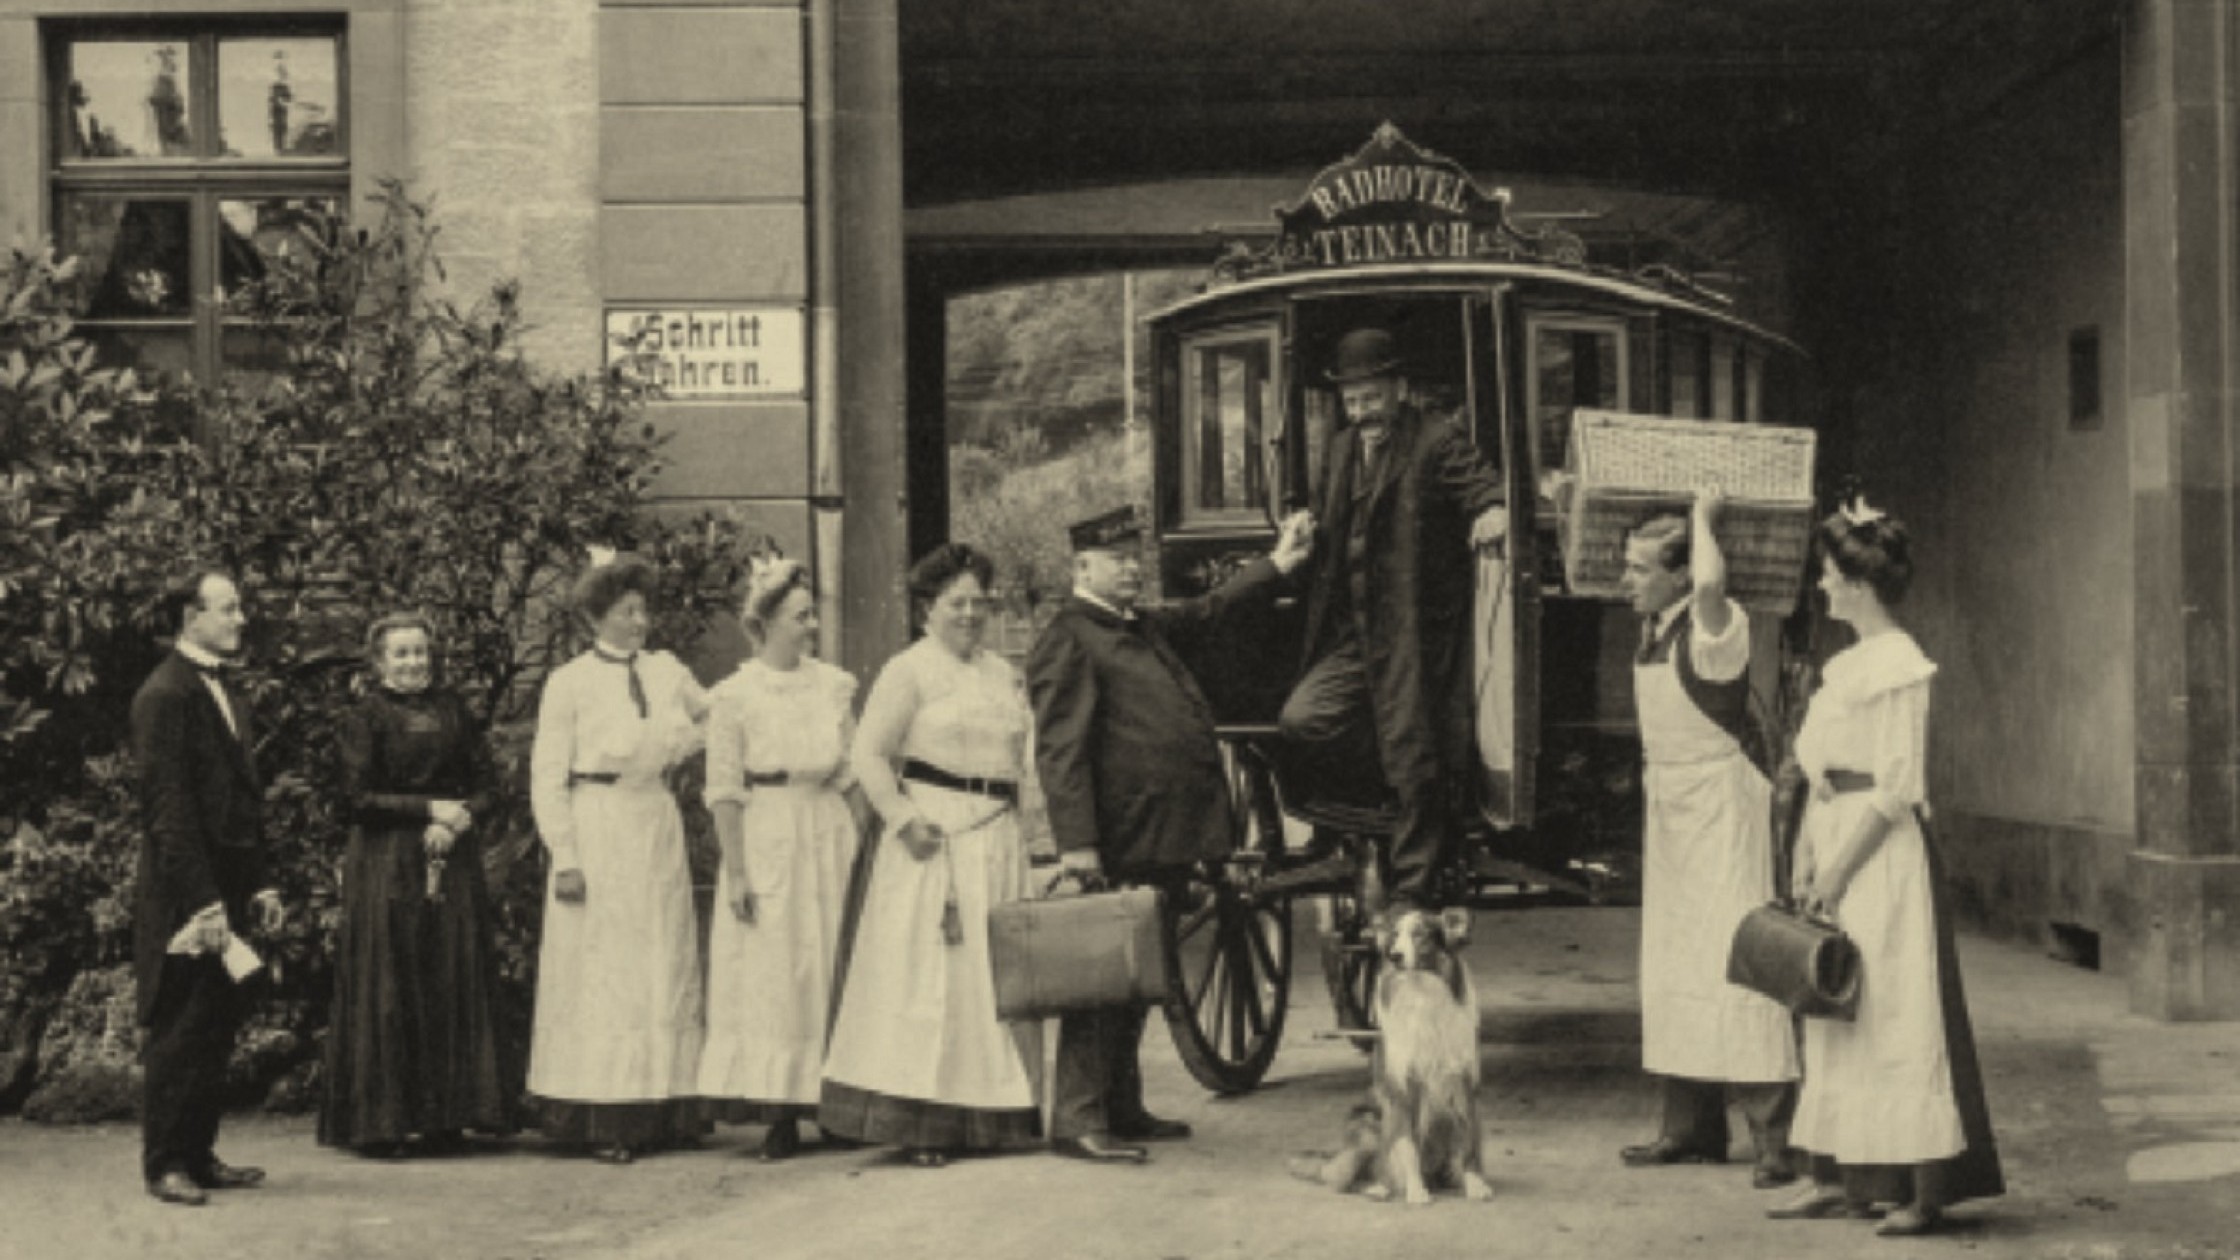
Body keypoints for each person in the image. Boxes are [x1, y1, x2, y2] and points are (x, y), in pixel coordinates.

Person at [1026, 504, 1314, 1164]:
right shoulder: (1068, 638)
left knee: (1139, 977)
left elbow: (1209, 611)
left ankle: (1121, 1106)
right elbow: (1060, 753)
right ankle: (1076, 1119)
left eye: (1136, 557)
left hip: (1166, 835)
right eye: (1117, 559)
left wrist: (1277, 565)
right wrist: (1078, 846)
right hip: (1121, 838)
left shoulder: (1142, 627)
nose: (1132, 568)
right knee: (1099, 979)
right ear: (1082, 568)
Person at [1768, 500, 2004, 1236]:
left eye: (1831, 578)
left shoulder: (1901, 665)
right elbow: (1822, 770)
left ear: (1863, 586)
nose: (1824, 590)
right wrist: (1810, 852)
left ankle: (1921, 1190)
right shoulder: (1845, 667)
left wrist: (1839, 868)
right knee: (1837, 1010)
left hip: (1882, 856)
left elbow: (1897, 787)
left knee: (1896, 1013)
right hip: (1836, 839)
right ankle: (1842, 1173)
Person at [820, 544, 1042, 1168]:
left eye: (979, 602)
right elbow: (866, 754)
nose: (970, 614)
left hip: (997, 837)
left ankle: (1001, 1113)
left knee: (996, 977)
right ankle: (925, 1121)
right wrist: (903, 819)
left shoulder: (1002, 673)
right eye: (956, 603)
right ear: (927, 610)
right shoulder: (907, 670)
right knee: (934, 980)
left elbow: (1024, 758)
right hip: (933, 842)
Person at [1278, 325, 1508, 914]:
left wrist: (1490, 510)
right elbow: (1335, 525)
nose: (1362, 412)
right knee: (1303, 720)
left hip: (1413, 637)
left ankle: (1412, 889)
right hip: (1352, 632)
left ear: (1398, 388)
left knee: (1413, 758)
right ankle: (1365, 818)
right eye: (1352, 401)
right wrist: (1304, 528)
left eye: (1372, 397)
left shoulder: (1436, 440)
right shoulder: (1338, 450)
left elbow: (1481, 486)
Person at [1614, 490, 1801, 1187]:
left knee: (1740, 965)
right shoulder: (1657, 629)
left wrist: (1703, 513)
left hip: (1723, 809)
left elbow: (1715, 579)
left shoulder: (1715, 623)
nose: (1625, 580)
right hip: (1673, 808)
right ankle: (1690, 1130)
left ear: (1681, 574)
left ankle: (1777, 1139)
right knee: (1673, 963)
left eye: (1638, 568)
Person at [526, 551, 711, 1164]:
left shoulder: (665, 671)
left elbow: (716, 713)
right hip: (597, 826)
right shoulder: (570, 682)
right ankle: (605, 1113)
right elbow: (547, 776)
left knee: (664, 957)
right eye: (626, 612)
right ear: (597, 617)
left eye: (643, 610)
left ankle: (667, 1103)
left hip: (653, 821)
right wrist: (567, 855)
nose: (640, 622)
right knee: (607, 970)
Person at [318, 612, 510, 1157]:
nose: (412, 663)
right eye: (400, 654)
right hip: (387, 862)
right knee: (392, 983)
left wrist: (462, 815)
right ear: (379, 662)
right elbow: (355, 800)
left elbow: (488, 784)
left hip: (452, 857)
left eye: (420, 652)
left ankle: (447, 1117)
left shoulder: (453, 710)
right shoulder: (364, 718)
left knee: (448, 976)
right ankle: (382, 1124)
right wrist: (429, 808)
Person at [698, 559, 871, 1160]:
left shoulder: (833, 686)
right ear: (766, 623)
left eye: (812, 614)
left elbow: (851, 773)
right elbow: (722, 790)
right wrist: (738, 871)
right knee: (775, 973)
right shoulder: (735, 697)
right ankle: (777, 1113)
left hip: (827, 832)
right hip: (767, 832)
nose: (813, 626)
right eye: (801, 616)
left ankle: (834, 1104)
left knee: (828, 961)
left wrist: (873, 846)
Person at [129, 567, 285, 1206]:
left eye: (239, 608)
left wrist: (262, 886)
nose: (240, 619)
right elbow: (169, 813)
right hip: (184, 895)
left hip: (228, 885)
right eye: (227, 609)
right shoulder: (164, 695)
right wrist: (203, 902)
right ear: (191, 618)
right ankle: (165, 1164)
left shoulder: (224, 690)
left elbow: (239, 803)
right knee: (180, 1030)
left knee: (216, 1025)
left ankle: (199, 1154)